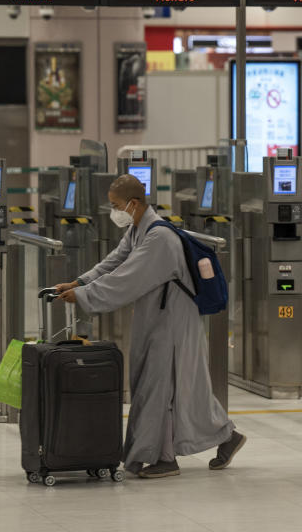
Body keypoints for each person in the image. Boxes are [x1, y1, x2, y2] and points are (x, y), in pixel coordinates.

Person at [55, 175, 245, 478]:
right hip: (158, 316)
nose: (113, 211)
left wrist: (83, 296)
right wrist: (81, 281)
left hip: (172, 320)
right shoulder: (138, 230)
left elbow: (127, 278)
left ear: (133, 203)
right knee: (178, 385)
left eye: (116, 205)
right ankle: (227, 435)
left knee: (161, 385)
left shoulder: (160, 239)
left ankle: (164, 458)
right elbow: (115, 261)